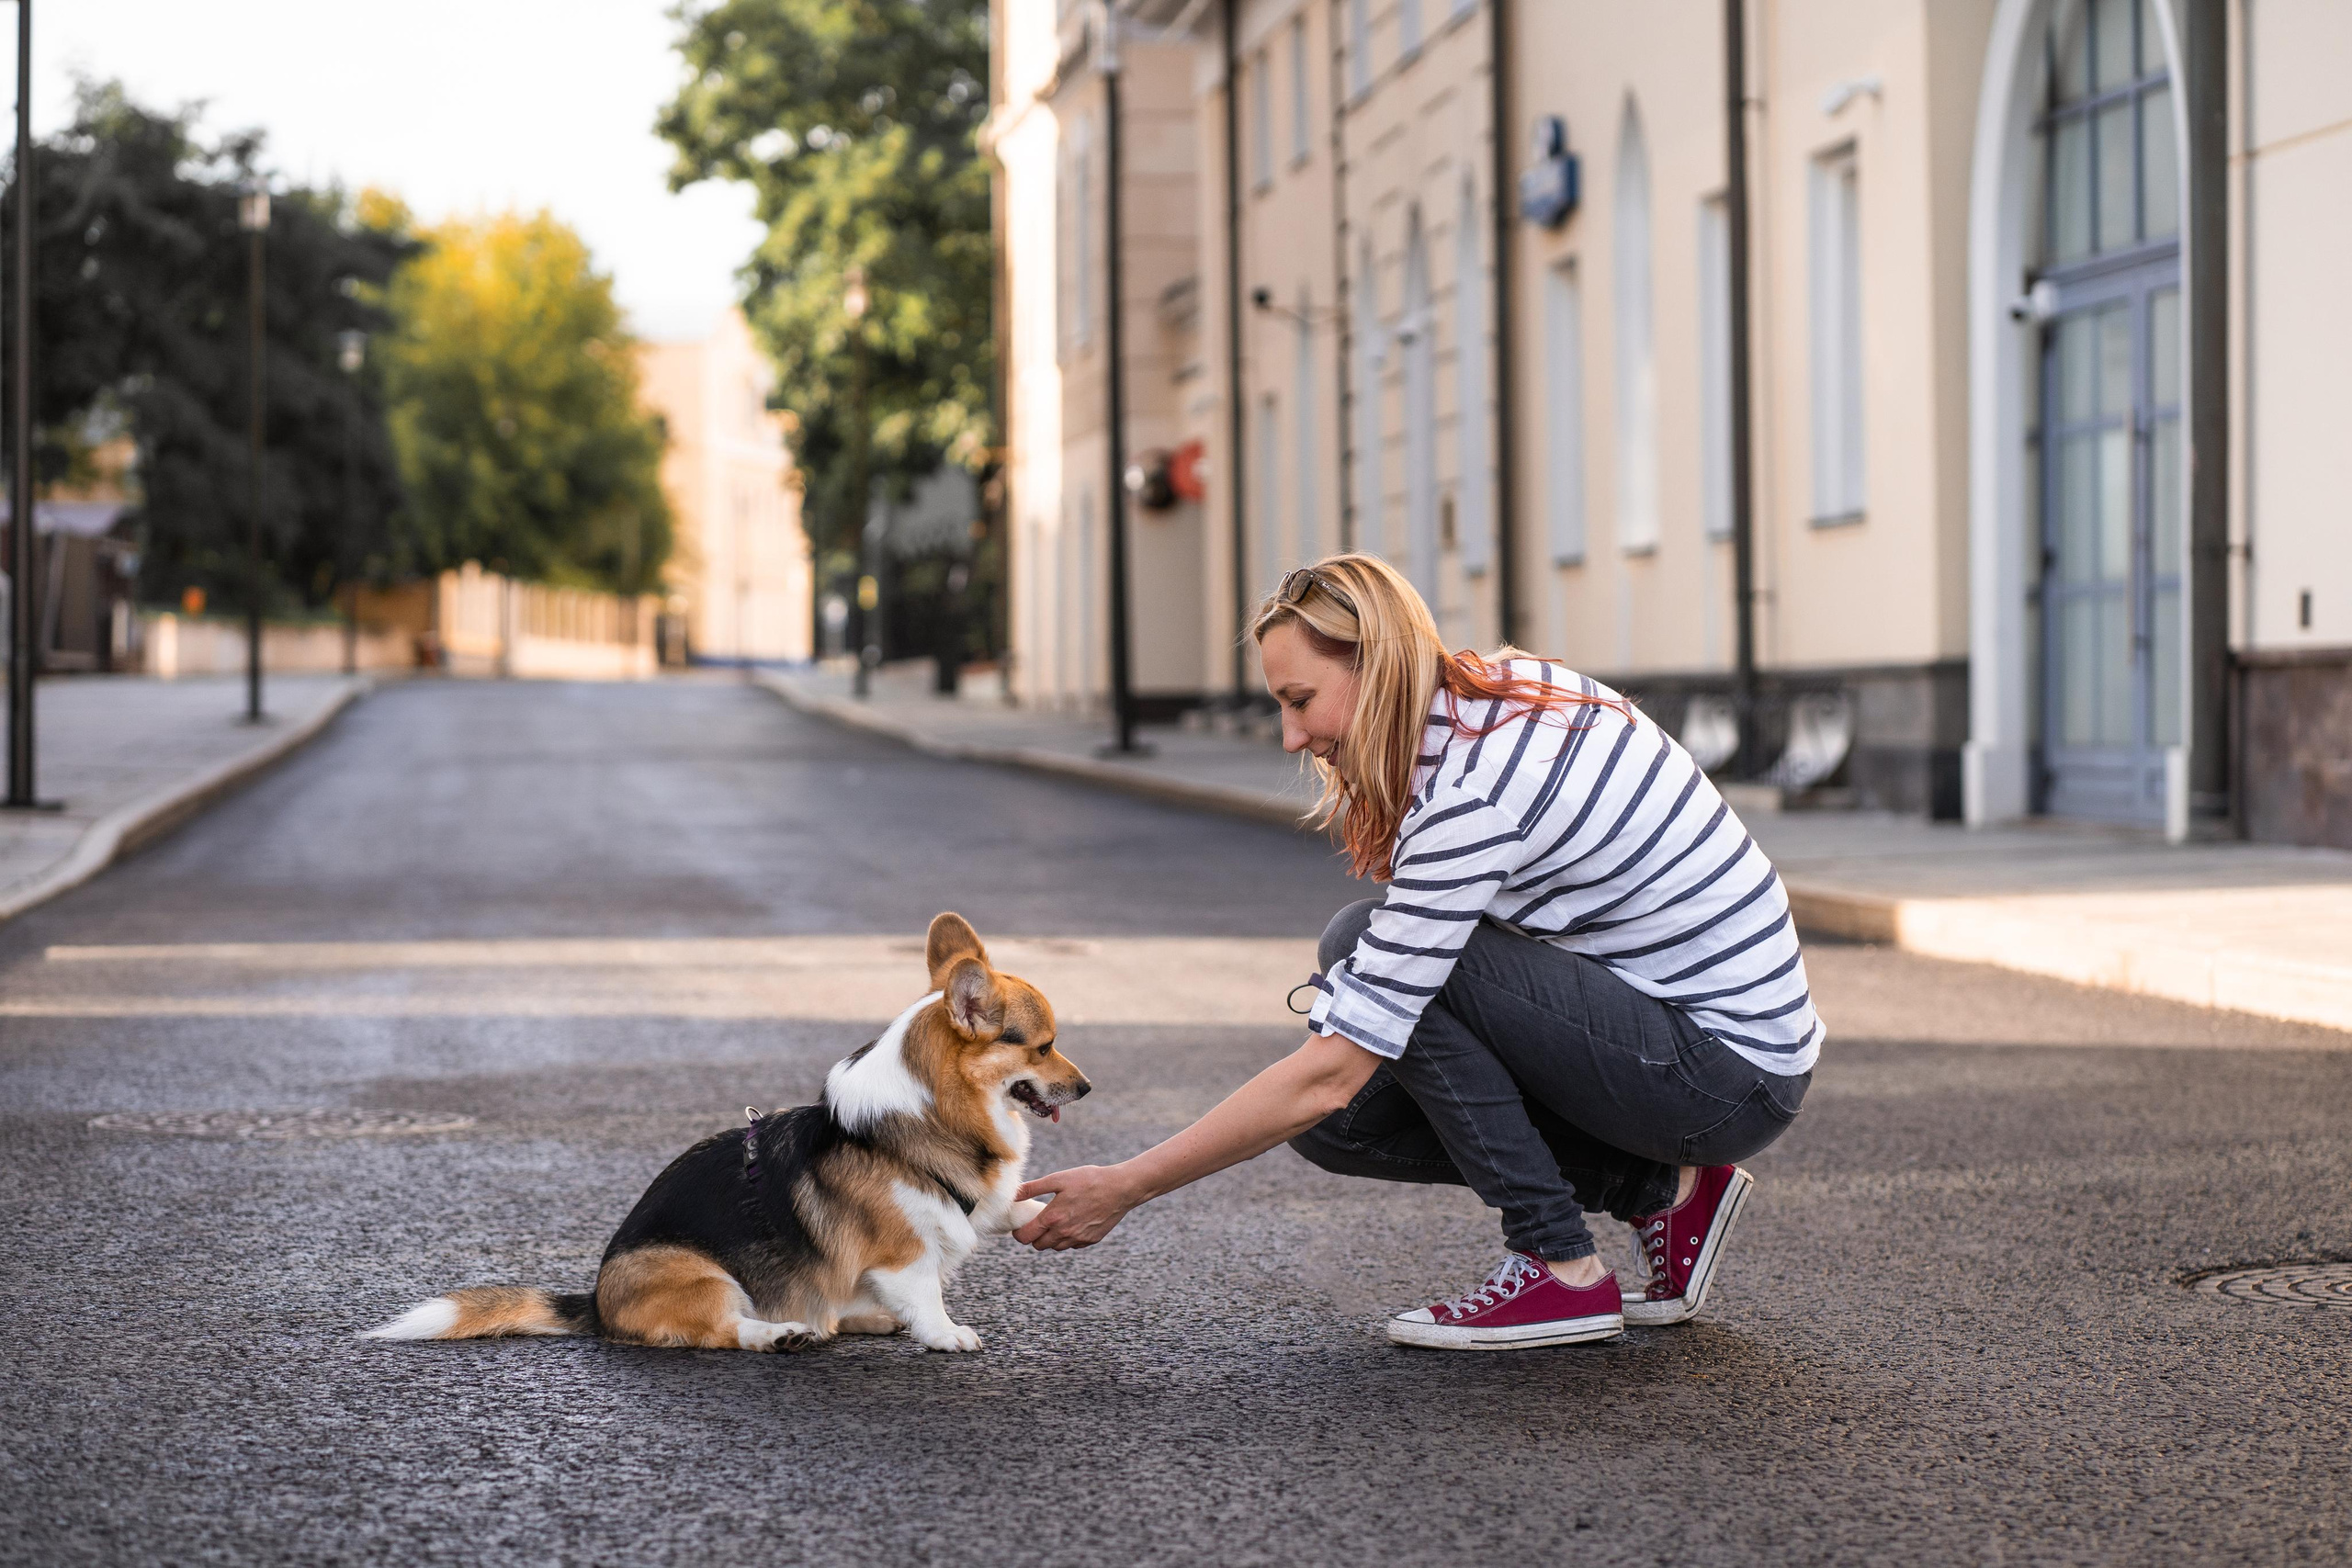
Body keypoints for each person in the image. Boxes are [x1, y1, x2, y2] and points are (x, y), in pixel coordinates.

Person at [1014, 554, 1822, 1349]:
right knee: (1343, 1119)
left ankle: (1560, 1267)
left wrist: (1126, 1186)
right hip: (1709, 1046)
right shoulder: (1499, 693)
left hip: (1722, 1073)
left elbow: (1329, 1073)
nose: (1294, 736)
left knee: (1362, 970)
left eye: (1302, 700)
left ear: (1378, 668)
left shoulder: (1473, 792)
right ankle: (1661, 1192)